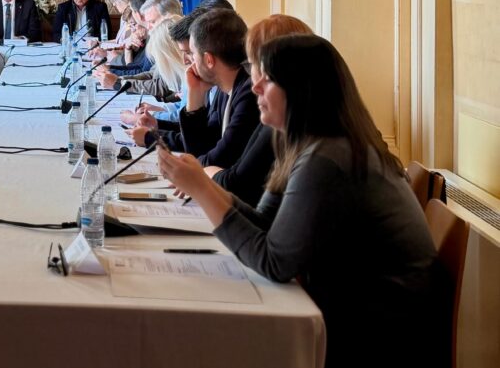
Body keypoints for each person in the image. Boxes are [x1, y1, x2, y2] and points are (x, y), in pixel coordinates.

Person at [158, 35, 442, 368]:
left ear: (301, 90)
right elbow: (266, 224)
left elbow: (274, 262)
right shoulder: (306, 143)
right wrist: (202, 185)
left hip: (377, 333)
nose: (255, 87)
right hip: (352, 309)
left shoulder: (329, 158)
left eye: (267, 79)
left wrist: (203, 189)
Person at [204, 14, 313, 206]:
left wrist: (203, 174)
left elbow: (237, 185)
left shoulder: (282, 119)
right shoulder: (283, 118)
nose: (254, 85)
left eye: (253, 64)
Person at [132, 8, 258, 169]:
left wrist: (187, 170)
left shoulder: (248, 94)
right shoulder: (224, 89)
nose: (186, 61)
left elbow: (217, 159)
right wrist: (195, 96)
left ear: (208, 60)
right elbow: (204, 143)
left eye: (191, 53)